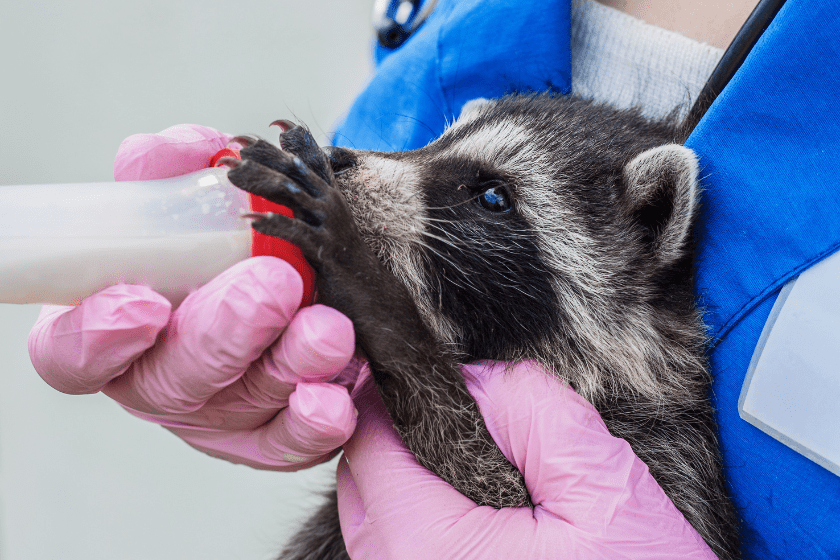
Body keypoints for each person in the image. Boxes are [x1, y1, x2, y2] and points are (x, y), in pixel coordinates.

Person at [29, 0, 840, 557]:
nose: (374, 169)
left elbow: (476, 468)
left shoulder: (646, 424)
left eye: (491, 197)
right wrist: (229, 280)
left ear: (648, 229)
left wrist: (359, 275)